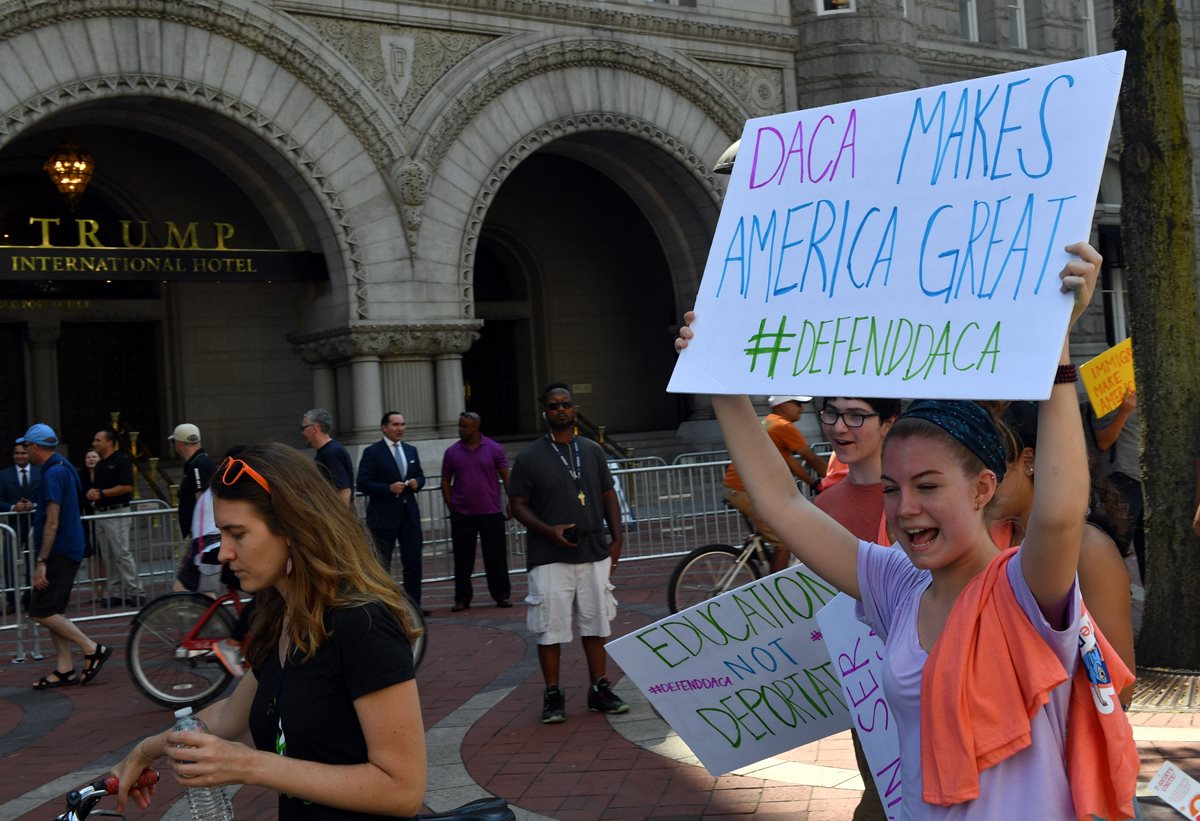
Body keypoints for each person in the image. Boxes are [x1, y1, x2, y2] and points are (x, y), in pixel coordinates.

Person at [675, 242, 1138, 820]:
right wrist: (719, 379)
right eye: (893, 488)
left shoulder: (1022, 589)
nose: (906, 508)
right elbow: (784, 507)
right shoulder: (898, 586)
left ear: (982, 488)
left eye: (928, 486)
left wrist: (1057, 350)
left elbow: (1062, 513)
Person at [112, 443, 426, 819]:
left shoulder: (363, 622)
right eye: (221, 534)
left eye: (237, 534)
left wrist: (251, 766)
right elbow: (230, 713)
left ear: (292, 529)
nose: (224, 552)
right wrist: (144, 751)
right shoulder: (282, 613)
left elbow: (403, 789)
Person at [992, 400, 1137, 708]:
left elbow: (1118, 689)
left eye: (991, 465)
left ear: (1027, 461)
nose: (981, 481)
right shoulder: (992, 539)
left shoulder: (1089, 550)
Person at [509, 383, 629, 723]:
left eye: (566, 404)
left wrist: (617, 539)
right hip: (549, 555)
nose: (561, 409)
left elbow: (608, 496)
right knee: (550, 626)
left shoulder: (591, 450)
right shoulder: (530, 457)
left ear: (573, 409)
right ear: (544, 411)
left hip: (593, 550)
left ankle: (599, 688)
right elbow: (517, 505)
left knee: (597, 621)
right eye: (553, 405)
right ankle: (552, 693)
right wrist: (549, 530)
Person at [810, 396, 901, 821]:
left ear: (889, 423)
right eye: (831, 413)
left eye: (856, 416)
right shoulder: (823, 507)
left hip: (928, 678)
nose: (839, 427)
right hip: (864, 691)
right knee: (881, 789)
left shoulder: (914, 495)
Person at [19, 424, 112, 690]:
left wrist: (41, 561)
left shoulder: (52, 474)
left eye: (26, 446)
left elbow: (52, 522)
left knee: (40, 610)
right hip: (68, 548)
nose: (25, 451)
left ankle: (92, 648)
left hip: (60, 551)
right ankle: (64, 668)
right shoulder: (63, 466)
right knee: (52, 609)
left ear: (35, 447)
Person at [722, 395, 826, 572]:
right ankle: (775, 593)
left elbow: (792, 463)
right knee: (784, 542)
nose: (801, 408)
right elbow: (811, 458)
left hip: (739, 487)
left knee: (782, 526)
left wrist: (814, 483)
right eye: (797, 404)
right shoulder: (782, 426)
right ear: (782, 405)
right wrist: (833, 479)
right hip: (743, 489)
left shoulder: (770, 422)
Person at [441, 411, 512, 612]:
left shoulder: (494, 448)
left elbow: (506, 476)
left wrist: (511, 502)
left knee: (496, 557)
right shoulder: (452, 452)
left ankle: (502, 594)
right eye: (459, 425)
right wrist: (452, 506)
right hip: (463, 514)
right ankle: (462, 598)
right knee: (463, 559)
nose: (460, 429)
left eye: (464, 426)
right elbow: (445, 481)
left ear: (476, 427)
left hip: (491, 511)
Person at [356, 412, 427, 614]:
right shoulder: (373, 452)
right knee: (381, 565)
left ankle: (415, 607)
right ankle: (384, 607)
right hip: (383, 518)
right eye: (395, 424)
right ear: (384, 427)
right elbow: (363, 482)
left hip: (409, 516)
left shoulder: (411, 450)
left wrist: (417, 483)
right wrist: (388, 488)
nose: (400, 428)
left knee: (413, 562)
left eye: (403, 424)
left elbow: (421, 476)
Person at [1087, 388, 1145, 582]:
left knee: (1146, 550)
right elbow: (1103, 441)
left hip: (1143, 478)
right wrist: (1124, 412)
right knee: (1115, 544)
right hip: (1123, 478)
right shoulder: (1106, 395)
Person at [88, 429, 145, 607]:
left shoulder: (122, 460)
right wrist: (92, 493)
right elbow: (97, 488)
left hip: (117, 512)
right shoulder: (99, 465)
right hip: (101, 512)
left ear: (109, 442)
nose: (95, 443)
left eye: (98, 440)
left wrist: (102, 493)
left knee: (121, 553)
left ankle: (136, 591)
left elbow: (127, 487)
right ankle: (116, 592)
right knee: (108, 555)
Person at [1, 443, 41, 614]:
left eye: (23, 453)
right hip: (13, 525)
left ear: (29, 454)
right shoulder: (4, 475)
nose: (20, 456)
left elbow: (47, 496)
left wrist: (35, 505)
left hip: (34, 523)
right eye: (17, 453)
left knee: (33, 560)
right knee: (10, 561)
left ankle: (32, 597)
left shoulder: (41, 472)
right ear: (13, 455)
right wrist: (12, 507)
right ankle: (11, 599)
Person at [170, 422, 216, 538]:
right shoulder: (201, 461)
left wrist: (195, 529)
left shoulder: (197, 465)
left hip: (202, 533)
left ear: (179, 444)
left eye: (173, 442)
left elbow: (201, 499)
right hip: (203, 532)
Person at [301, 408, 355, 506]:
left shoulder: (332, 453)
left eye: (303, 428)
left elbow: (344, 492)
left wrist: (339, 519)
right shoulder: (328, 451)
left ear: (314, 428)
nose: (302, 433)